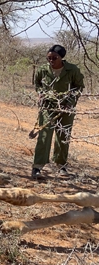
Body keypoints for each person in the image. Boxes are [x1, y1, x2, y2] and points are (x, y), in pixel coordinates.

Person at [31, 44, 84, 178]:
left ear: (61, 58)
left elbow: (79, 87)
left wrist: (69, 103)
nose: (51, 61)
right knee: (44, 136)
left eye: (54, 58)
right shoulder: (43, 69)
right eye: (49, 58)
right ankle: (37, 167)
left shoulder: (72, 70)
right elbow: (37, 83)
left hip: (66, 108)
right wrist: (41, 94)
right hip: (48, 107)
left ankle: (61, 167)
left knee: (63, 136)